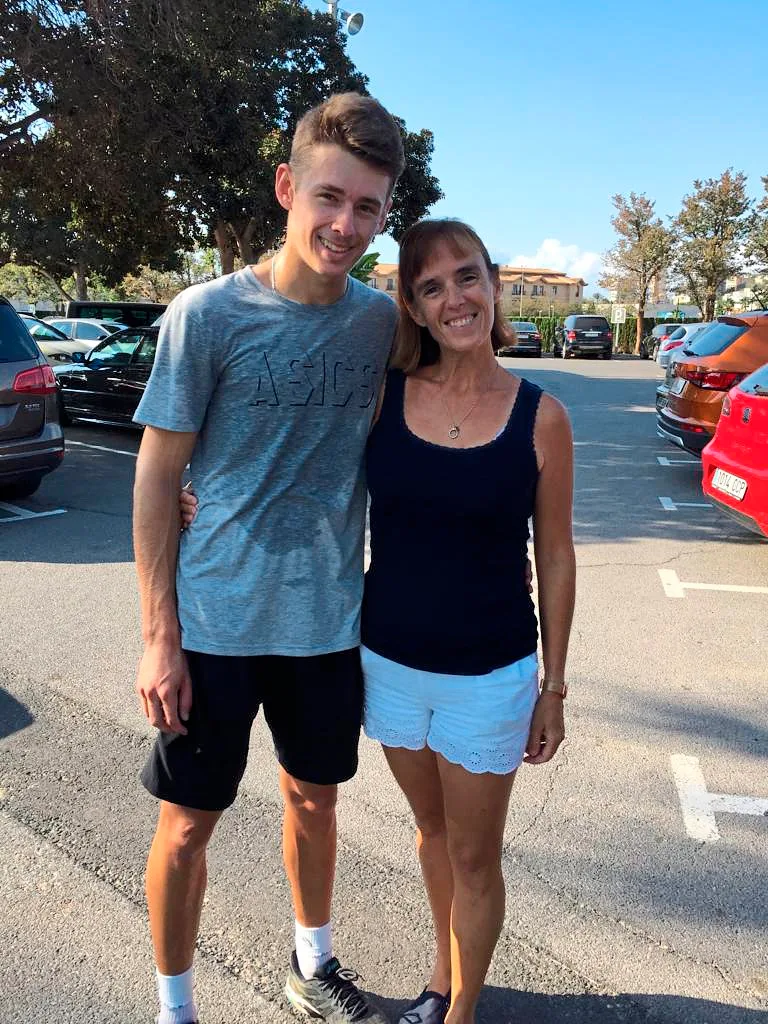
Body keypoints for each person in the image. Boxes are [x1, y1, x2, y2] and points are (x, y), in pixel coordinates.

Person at [181, 218, 575, 1024]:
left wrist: (554, 686)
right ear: (416, 309)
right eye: (431, 288)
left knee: (474, 855)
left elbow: (559, 558)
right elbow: (291, 450)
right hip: (387, 664)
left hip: (490, 675)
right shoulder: (384, 398)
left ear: (493, 284)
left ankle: (461, 1012)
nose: (453, 298)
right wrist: (195, 494)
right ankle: (442, 978)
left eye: (465, 277)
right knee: (430, 834)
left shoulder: (542, 418)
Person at [132, 92, 405, 1024]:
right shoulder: (205, 316)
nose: (344, 225)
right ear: (288, 187)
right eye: (330, 197)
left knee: (316, 804)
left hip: (328, 620)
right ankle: (176, 1010)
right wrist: (157, 635)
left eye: (367, 208)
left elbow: (455, 384)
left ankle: (310, 967)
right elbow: (157, 474)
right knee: (185, 828)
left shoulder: (380, 323)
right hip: (213, 624)